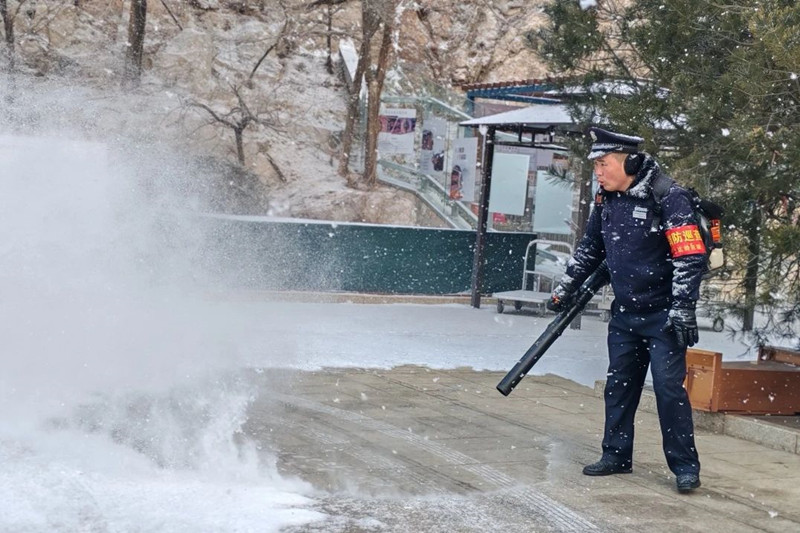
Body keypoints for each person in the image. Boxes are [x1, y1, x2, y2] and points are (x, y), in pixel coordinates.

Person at [547, 127, 705, 493]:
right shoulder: (606, 200)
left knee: (668, 390)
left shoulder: (669, 197)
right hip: (625, 314)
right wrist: (566, 287)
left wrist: (682, 308)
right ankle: (616, 454)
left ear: (630, 162)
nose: (598, 172)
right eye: (596, 165)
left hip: (664, 316)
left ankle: (685, 466)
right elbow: (590, 249)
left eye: (603, 164)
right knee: (619, 385)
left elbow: (690, 257)